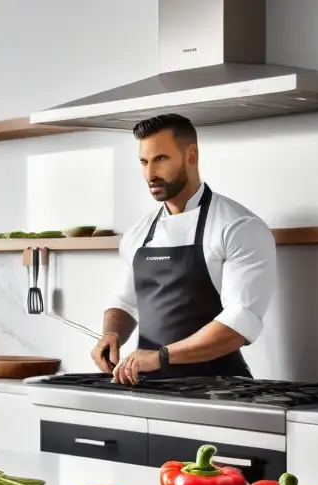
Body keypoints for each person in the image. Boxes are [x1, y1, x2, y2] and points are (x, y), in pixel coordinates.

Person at [92, 113, 276, 384]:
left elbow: (240, 323)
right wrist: (112, 334)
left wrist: (161, 356)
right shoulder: (138, 233)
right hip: (149, 385)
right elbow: (126, 301)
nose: (150, 174)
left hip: (219, 388)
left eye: (161, 159)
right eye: (144, 162)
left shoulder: (239, 227)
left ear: (192, 156)